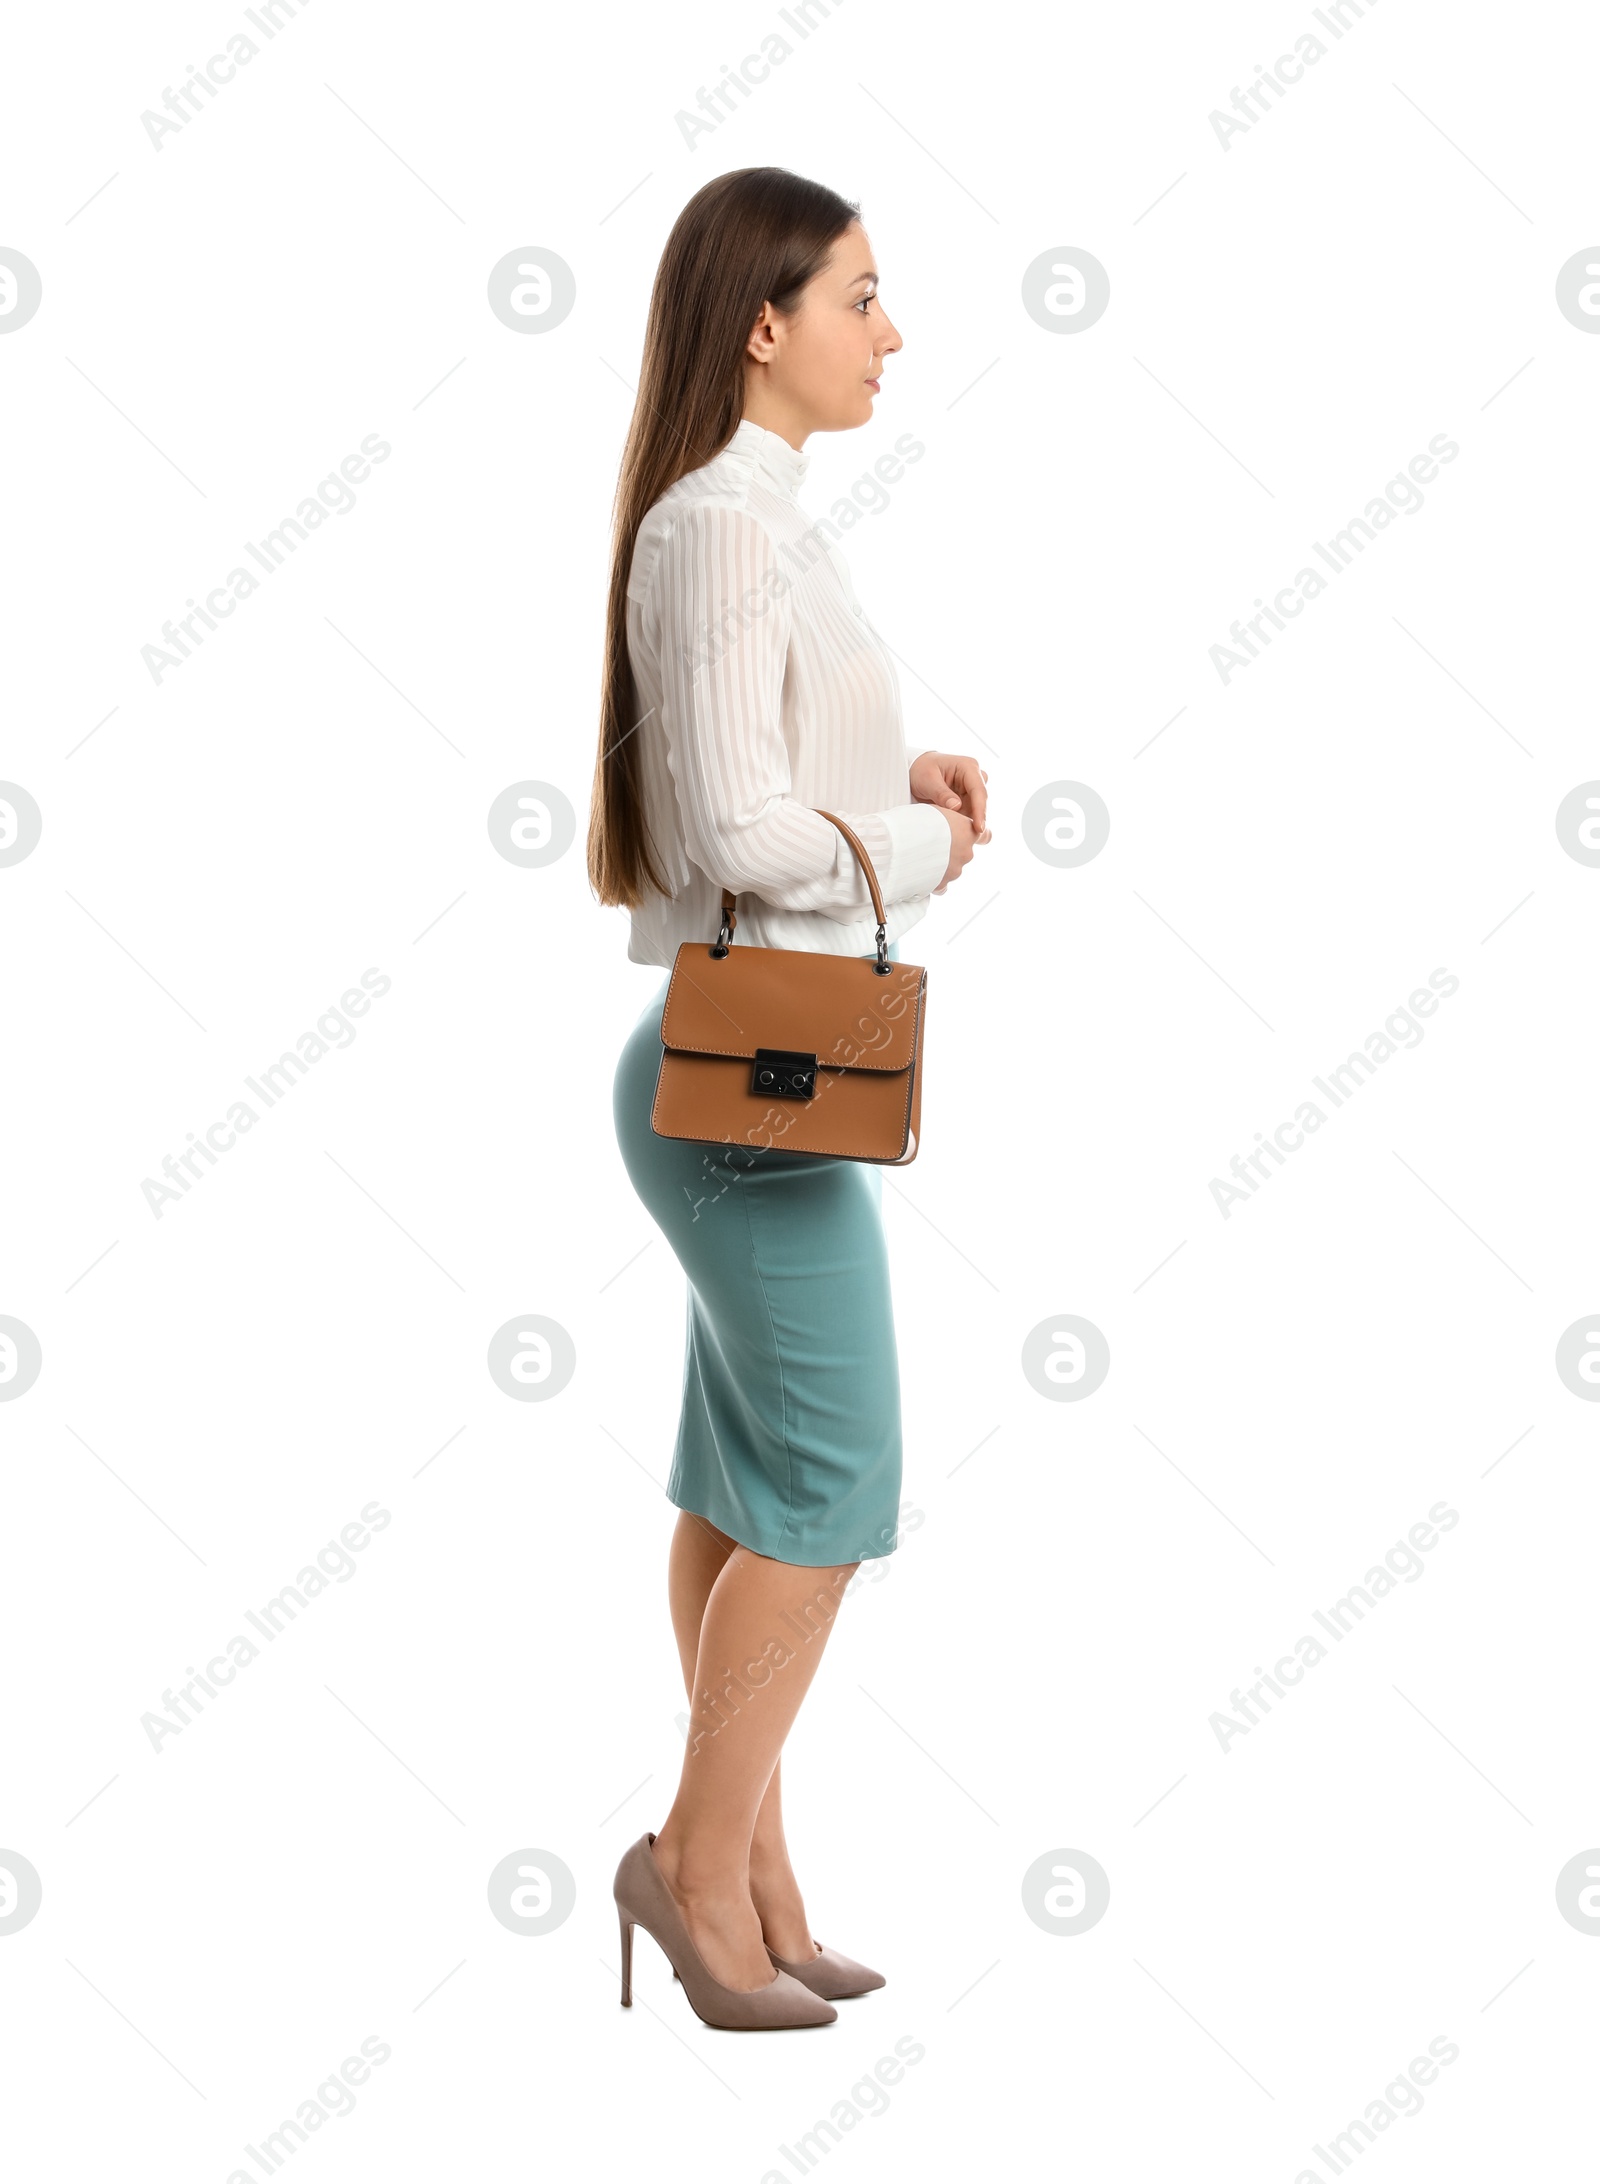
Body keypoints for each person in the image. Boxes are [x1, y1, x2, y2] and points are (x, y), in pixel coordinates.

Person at [589, 166, 990, 2032]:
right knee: (831, 1492)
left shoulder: (763, 528)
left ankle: (754, 1874)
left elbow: (764, 779)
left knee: (745, 1481)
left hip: (762, 1074)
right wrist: (913, 842)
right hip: (748, 1093)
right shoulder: (722, 530)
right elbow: (724, 832)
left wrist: (882, 764)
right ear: (767, 322)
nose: (890, 330)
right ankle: (689, 1868)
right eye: (862, 295)